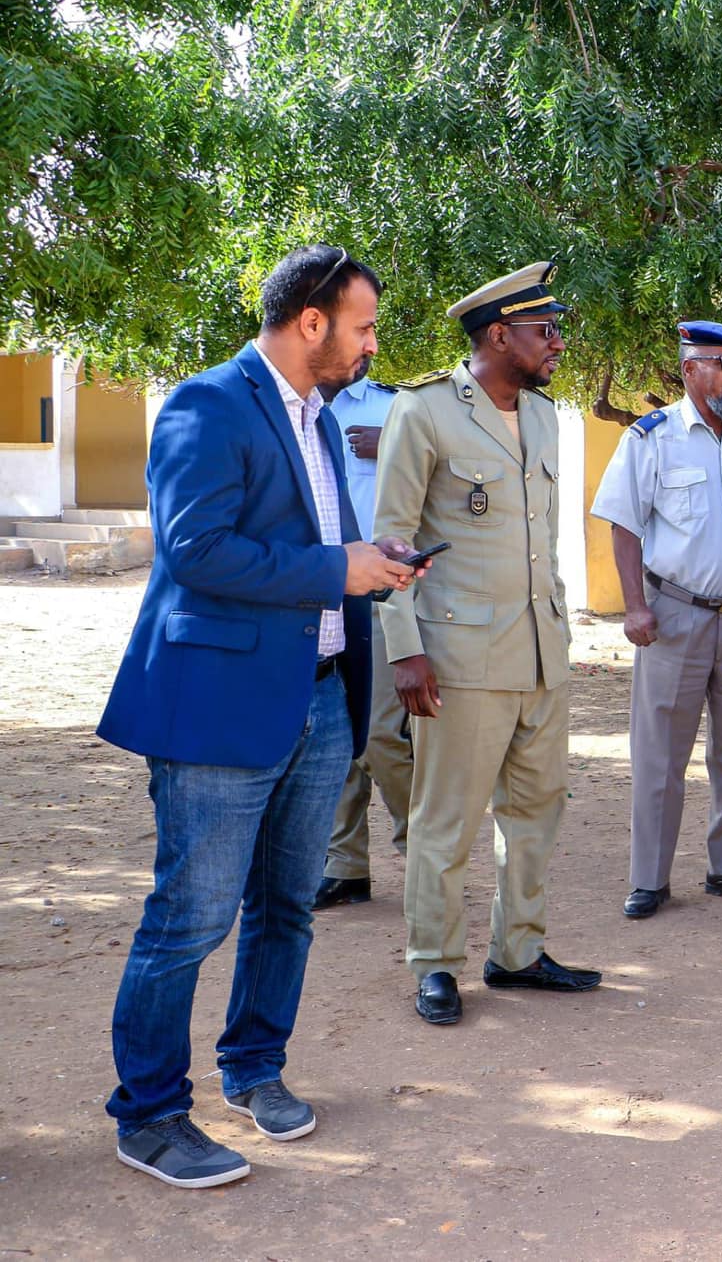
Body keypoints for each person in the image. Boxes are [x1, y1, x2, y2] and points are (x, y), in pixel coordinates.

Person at [97, 245, 422, 1188]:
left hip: (318, 698)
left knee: (287, 909)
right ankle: (149, 1116)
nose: (371, 344)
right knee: (189, 918)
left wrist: (369, 555)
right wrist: (337, 570)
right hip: (219, 708)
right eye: (362, 326)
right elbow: (196, 550)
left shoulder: (319, 419)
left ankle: (253, 1070)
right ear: (311, 321)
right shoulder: (207, 404)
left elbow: (300, 545)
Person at [375, 260, 601, 1026]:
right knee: (447, 821)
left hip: (540, 652)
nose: (558, 344)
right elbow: (392, 542)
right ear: (499, 335)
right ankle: (435, 964)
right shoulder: (427, 411)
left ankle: (518, 953)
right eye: (546, 332)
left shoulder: (544, 419)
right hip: (459, 659)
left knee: (536, 813)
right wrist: (403, 649)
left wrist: (561, 635)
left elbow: (542, 544)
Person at [591, 319, 722, 920]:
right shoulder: (651, 439)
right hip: (673, 616)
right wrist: (635, 606)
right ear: (690, 369)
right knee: (661, 752)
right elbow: (625, 526)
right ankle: (650, 879)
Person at [310, 356, 415, 909]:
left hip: (384, 598)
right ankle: (345, 866)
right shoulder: (292, 414)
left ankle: (423, 850)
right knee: (335, 740)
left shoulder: (398, 408)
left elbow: (446, 480)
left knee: (379, 736)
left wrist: (394, 442)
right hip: (318, 594)